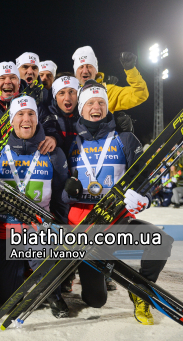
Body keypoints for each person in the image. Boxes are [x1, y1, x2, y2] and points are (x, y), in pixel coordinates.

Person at [62, 80, 174, 325]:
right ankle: (88, 271)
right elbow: (58, 184)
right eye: (90, 102)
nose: (96, 106)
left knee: (161, 241)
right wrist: (66, 191)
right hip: (83, 230)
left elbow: (143, 176)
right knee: (95, 300)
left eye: (101, 102)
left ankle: (141, 291)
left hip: (116, 223)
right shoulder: (69, 142)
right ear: (81, 108)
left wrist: (142, 197)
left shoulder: (125, 138)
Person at [0, 95, 70, 318]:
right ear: (11, 121)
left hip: (37, 226)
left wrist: (61, 226)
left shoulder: (52, 152)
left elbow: (61, 196)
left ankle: (53, 294)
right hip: (7, 230)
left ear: (38, 119)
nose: (26, 119)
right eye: (20, 114)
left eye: (31, 114)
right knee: (9, 296)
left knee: (42, 257)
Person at [72, 46, 149, 112]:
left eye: (89, 66)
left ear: (96, 71)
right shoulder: (68, 92)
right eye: (81, 67)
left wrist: (131, 70)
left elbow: (140, 95)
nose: (85, 71)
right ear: (75, 72)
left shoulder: (108, 92)